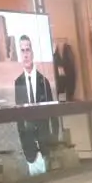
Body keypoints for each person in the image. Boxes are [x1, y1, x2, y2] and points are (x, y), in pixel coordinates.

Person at [14, 35, 55, 164]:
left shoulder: (44, 82)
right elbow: (19, 118)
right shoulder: (18, 83)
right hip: (29, 148)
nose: (25, 54)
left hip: (46, 146)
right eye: (22, 50)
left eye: (28, 50)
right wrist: (24, 143)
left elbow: (53, 114)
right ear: (19, 54)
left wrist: (53, 141)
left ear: (32, 53)